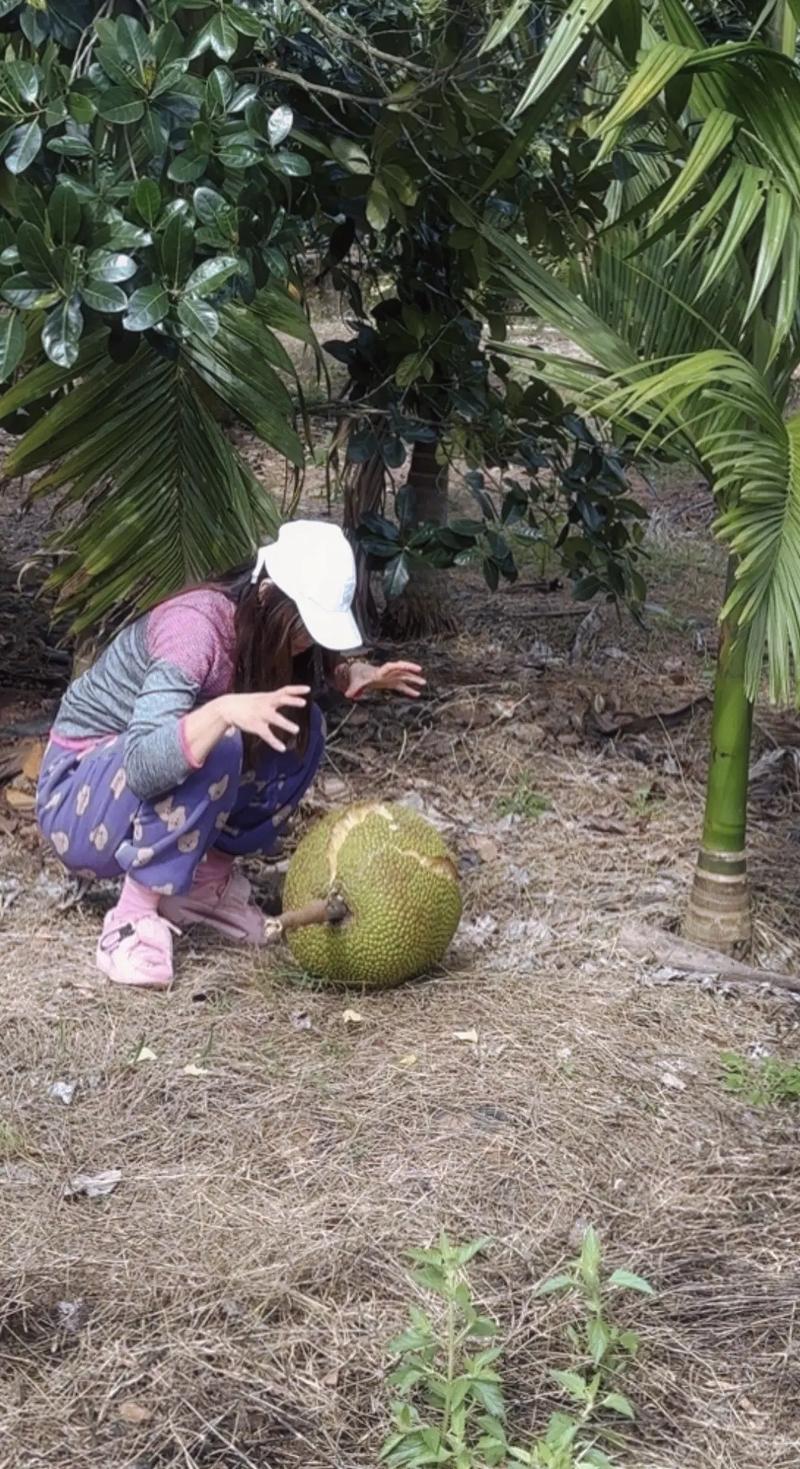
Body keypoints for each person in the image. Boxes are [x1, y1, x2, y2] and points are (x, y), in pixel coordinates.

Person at [36, 520, 424, 990]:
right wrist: (221, 711)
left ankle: (202, 886)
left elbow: (293, 669)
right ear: (265, 596)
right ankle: (131, 917)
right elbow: (140, 765)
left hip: (125, 793)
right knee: (218, 736)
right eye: (303, 625)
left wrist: (351, 674)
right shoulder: (194, 629)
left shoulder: (261, 625)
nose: (307, 641)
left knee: (302, 726)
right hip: (77, 798)